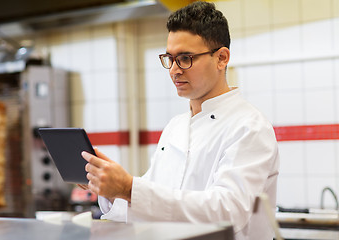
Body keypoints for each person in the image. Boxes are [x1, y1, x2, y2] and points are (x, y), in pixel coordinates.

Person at [81, 1, 279, 239]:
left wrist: (130, 188)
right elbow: (156, 204)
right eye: (170, 58)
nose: (174, 70)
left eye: (185, 58)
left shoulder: (249, 127)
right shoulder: (176, 126)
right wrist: (112, 190)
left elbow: (228, 211)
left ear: (221, 58)